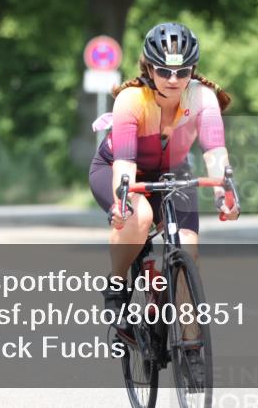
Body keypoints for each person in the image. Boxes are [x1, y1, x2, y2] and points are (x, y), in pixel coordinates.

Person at [88, 22, 239, 381]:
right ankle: (117, 285)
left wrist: (225, 194)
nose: (173, 79)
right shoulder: (131, 99)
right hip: (120, 168)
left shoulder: (203, 98)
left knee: (188, 247)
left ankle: (191, 348)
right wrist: (123, 203)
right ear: (148, 68)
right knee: (139, 217)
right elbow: (125, 164)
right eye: (164, 71)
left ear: (193, 70)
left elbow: (215, 152)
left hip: (172, 171)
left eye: (182, 72)